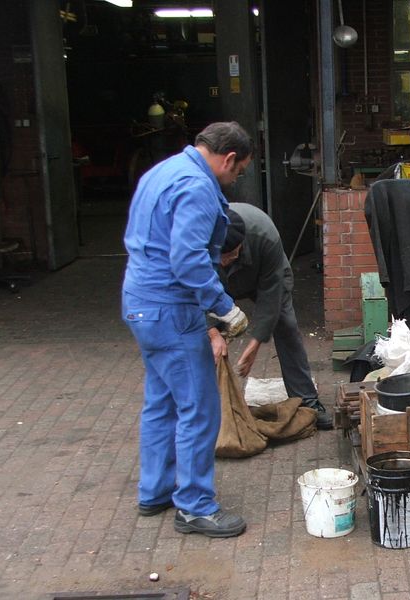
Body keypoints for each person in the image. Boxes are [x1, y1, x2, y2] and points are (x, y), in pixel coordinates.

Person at [122, 121, 253, 538]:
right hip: (170, 309)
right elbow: (188, 258)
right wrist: (224, 309)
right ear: (228, 157)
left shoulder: (160, 172)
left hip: (141, 302)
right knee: (199, 408)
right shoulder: (196, 187)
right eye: (239, 171)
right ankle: (195, 507)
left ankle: (155, 491)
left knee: (162, 401)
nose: (236, 179)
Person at [213, 202, 333, 430]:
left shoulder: (264, 235)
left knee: (286, 326)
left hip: (264, 275)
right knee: (205, 342)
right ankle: (206, 408)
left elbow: (272, 295)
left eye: (230, 255)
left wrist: (256, 342)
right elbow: (192, 293)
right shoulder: (198, 237)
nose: (224, 261)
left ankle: (307, 402)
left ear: (242, 243)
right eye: (220, 255)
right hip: (212, 284)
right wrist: (212, 332)